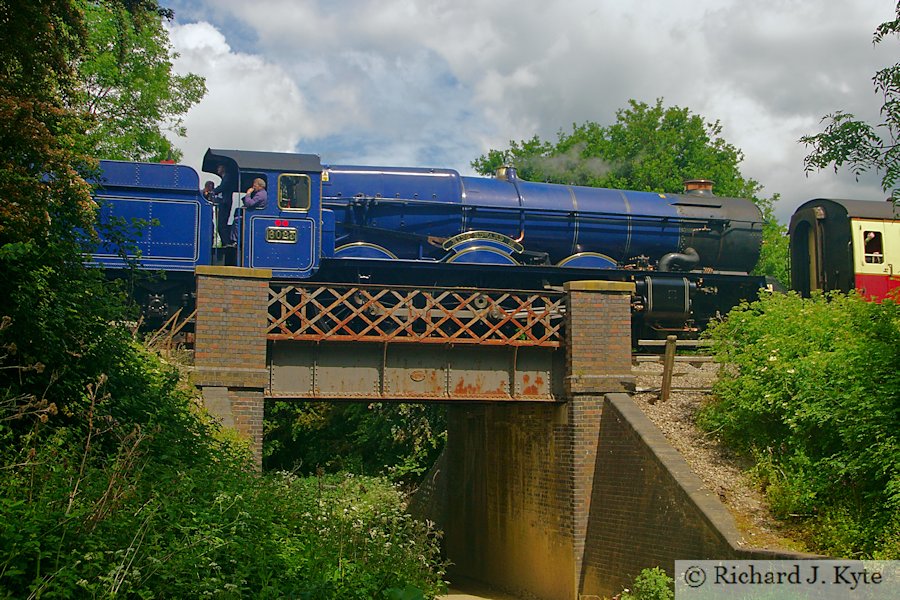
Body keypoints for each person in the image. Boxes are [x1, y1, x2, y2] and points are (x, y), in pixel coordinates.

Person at [208, 164, 237, 246]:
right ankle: (225, 242)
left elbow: (223, 187)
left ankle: (226, 242)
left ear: (223, 168)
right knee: (221, 224)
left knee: (222, 224)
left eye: (219, 167)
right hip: (223, 202)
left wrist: (213, 191)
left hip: (225, 203)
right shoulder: (225, 178)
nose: (217, 169)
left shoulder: (227, 177)